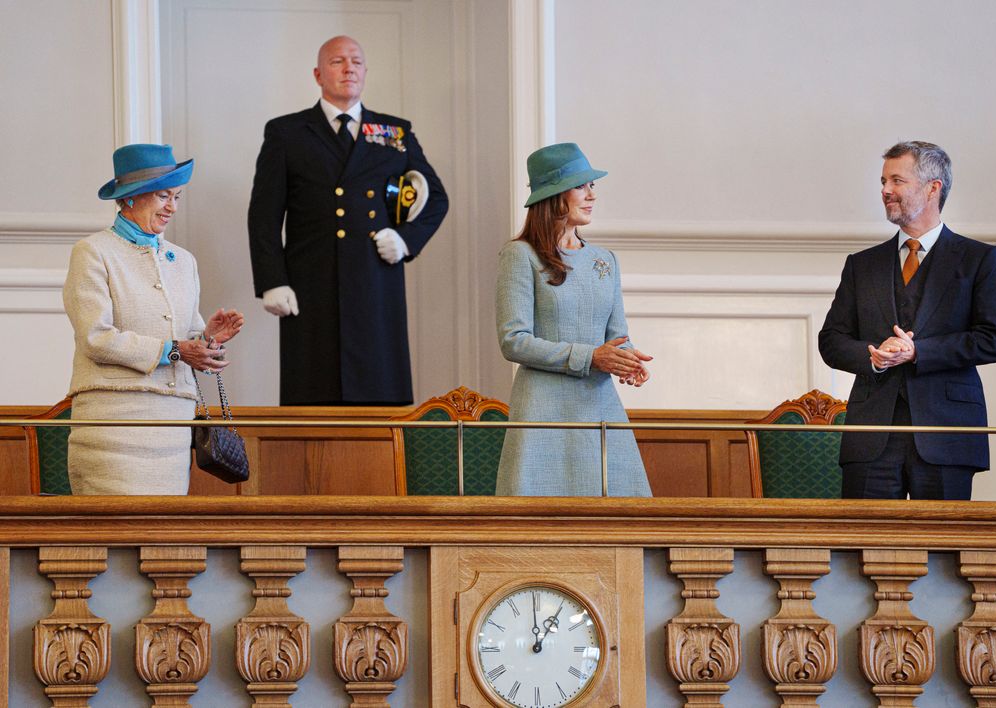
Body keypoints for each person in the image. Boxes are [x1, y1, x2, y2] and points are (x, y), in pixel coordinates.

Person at [248, 35, 449, 406]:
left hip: (375, 284)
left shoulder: (394, 132)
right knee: (312, 395)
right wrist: (272, 281)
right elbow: (263, 215)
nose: (349, 68)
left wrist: (405, 240)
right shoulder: (287, 132)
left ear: (365, 72)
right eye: (338, 61)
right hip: (309, 285)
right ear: (318, 74)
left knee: (378, 394)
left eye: (356, 61)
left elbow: (436, 197)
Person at [819, 141, 996, 500]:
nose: (885, 191)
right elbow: (831, 340)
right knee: (863, 546)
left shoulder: (979, 259)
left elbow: (993, 339)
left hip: (948, 433)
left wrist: (916, 352)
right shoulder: (862, 264)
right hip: (871, 434)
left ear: (932, 187)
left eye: (897, 181)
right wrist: (873, 356)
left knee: (943, 549)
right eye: (883, 181)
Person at [63, 143, 245, 494]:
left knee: (163, 539)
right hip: (113, 426)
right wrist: (177, 350)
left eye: (177, 197)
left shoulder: (184, 260)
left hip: (172, 427)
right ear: (131, 197)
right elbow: (96, 337)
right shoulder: (93, 252)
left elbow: (185, 338)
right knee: (114, 538)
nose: (172, 207)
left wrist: (208, 341)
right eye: (164, 196)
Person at [495, 143, 653, 497]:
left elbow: (617, 335)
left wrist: (627, 359)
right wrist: (591, 357)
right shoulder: (520, 255)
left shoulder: (605, 260)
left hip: (600, 408)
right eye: (582, 186)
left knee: (619, 522)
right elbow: (513, 340)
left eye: (592, 186)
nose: (592, 195)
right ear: (554, 196)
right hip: (543, 412)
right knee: (539, 527)